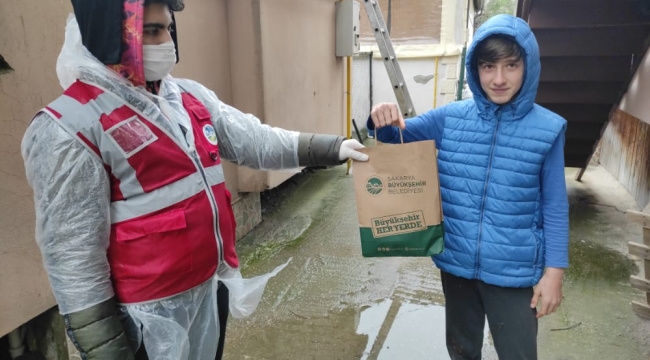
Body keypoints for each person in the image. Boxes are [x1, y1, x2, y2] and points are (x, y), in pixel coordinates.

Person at [20, 0, 368, 359]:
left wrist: (335, 147)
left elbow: (254, 140)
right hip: (143, 316)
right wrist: (106, 347)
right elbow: (73, 259)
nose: (165, 42)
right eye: (151, 31)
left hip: (207, 289)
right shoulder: (69, 127)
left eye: (168, 29)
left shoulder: (184, 97)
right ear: (111, 38)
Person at [369, 14, 568, 360]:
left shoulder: (548, 129)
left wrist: (554, 273)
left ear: (528, 66)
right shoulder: (451, 118)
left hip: (514, 271)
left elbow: (554, 204)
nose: (500, 78)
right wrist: (381, 118)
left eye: (511, 65)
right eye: (488, 66)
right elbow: (396, 136)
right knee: (461, 349)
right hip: (457, 263)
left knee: (518, 353)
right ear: (475, 68)